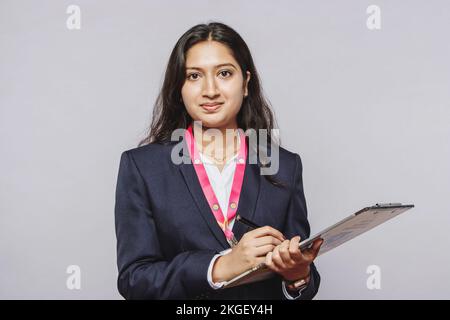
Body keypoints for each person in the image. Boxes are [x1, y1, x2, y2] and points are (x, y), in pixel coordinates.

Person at [114, 22, 323, 300]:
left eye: (224, 73)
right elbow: (134, 280)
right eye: (194, 76)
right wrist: (220, 267)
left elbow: (303, 276)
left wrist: (298, 276)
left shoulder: (285, 165)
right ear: (179, 87)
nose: (210, 90)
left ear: (246, 83)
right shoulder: (142, 168)